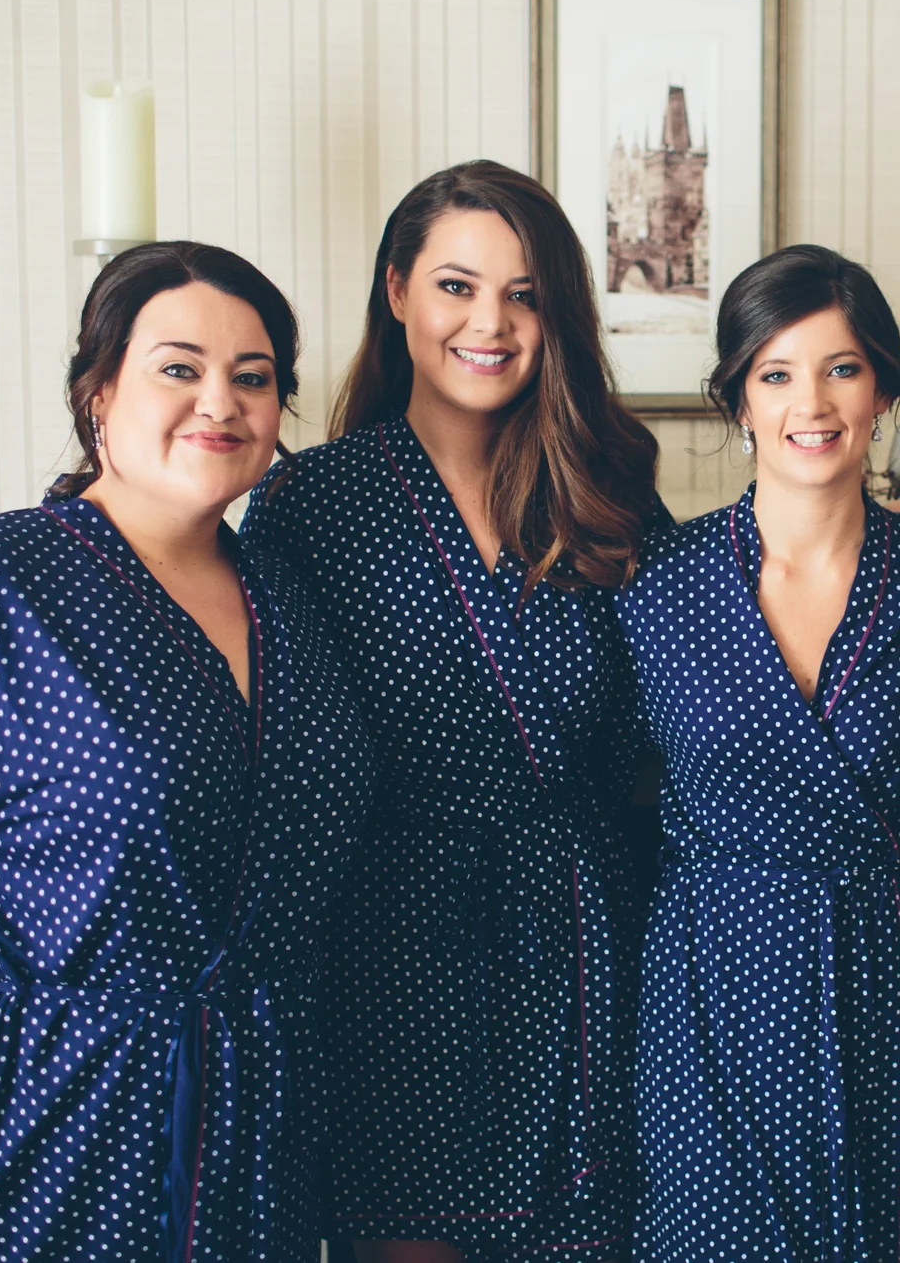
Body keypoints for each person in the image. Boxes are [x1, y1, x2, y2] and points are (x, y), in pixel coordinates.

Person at [0, 242, 373, 1261]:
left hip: (252, 1133)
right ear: (97, 393)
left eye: (253, 378)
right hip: (24, 1124)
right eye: (177, 367)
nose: (218, 399)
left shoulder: (293, 602)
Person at [240, 160, 661, 1263]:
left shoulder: (602, 486)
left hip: (585, 951)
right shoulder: (314, 503)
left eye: (523, 296)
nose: (490, 323)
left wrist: (869, 530)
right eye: (456, 286)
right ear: (396, 293)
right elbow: (272, 753)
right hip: (393, 969)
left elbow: (705, 652)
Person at [612, 245, 900, 1262]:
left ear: (884, 390)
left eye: (841, 368)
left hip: (893, 985)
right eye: (774, 374)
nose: (808, 402)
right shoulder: (660, 588)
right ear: (736, 401)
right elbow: (612, 782)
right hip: (714, 986)